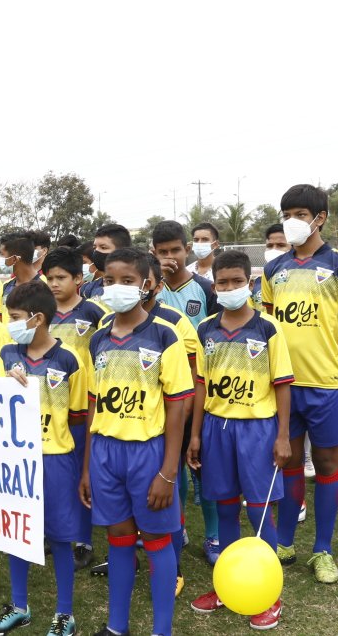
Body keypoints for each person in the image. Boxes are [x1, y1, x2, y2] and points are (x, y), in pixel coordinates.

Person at [82, 248, 192, 636]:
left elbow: (178, 407)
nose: (116, 288)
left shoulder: (166, 336)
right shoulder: (97, 340)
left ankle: (162, 630)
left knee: (158, 539)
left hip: (149, 454)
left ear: (148, 284)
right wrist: (87, 469)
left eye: (127, 281)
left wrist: (168, 471)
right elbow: (95, 406)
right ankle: (117, 627)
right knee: (119, 537)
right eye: (109, 280)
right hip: (106, 454)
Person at [261, 184, 338, 584]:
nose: (292, 221)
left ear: (320, 217)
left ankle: (322, 549)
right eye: (287, 212)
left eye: (301, 213)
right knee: (286, 461)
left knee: (325, 463)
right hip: (284, 386)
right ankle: (285, 541)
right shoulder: (273, 268)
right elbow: (267, 327)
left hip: (327, 386)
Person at [187, 250, 293, 630]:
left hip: (257, 430)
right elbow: (200, 387)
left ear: (249, 284)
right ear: (214, 285)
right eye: (222, 282)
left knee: (259, 510)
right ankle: (225, 585)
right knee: (226, 509)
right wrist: (196, 434)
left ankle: (271, 596)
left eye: (236, 281)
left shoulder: (267, 329)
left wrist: (282, 436)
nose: (229, 288)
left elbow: (282, 386)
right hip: (217, 428)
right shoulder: (206, 330)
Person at [0, 281, 89, 636]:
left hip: (56, 459)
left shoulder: (69, 359)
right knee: (17, 531)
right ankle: (18, 605)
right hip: (16, 461)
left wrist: (80, 469)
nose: (10, 324)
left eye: (14, 318)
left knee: (60, 538)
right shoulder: (8, 355)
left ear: (38, 318)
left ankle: (65, 614)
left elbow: (79, 420)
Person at [152, 220, 221, 565]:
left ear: (187, 250)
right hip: (164, 396)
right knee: (172, 466)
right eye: (162, 252)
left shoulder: (207, 290)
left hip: (202, 390)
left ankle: (213, 535)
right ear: (153, 254)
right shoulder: (150, 291)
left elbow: (221, 339)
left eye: (175, 250)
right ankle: (176, 528)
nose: (169, 257)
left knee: (203, 468)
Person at [42, 246, 110, 571]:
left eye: (61, 277)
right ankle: (54, 533)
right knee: (54, 474)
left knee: (83, 475)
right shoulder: (40, 314)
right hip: (49, 409)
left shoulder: (95, 312)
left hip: (84, 406)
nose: (54, 283)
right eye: (49, 277)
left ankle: (84, 539)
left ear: (78, 279)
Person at [0, 231, 39, 317]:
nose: (0, 259)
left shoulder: (45, 285)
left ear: (14, 259)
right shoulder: (5, 286)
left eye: (2, 255)